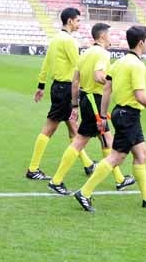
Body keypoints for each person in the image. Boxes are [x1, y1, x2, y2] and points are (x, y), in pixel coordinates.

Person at [73, 25, 146, 212]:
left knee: (141, 153)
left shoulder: (119, 62)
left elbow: (107, 89)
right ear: (141, 42)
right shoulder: (137, 66)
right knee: (116, 157)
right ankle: (84, 192)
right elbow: (140, 96)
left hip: (123, 113)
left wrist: (103, 115)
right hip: (129, 114)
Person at [46, 23, 135, 196]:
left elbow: (75, 82)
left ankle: (119, 180)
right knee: (81, 141)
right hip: (95, 100)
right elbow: (98, 75)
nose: (111, 38)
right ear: (102, 37)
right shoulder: (102, 54)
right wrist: (114, 81)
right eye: (110, 35)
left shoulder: (85, 53)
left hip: (86, 98)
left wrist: (75, 105)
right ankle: (56, 181)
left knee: (106, 139)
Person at [24, 7, 96, 181]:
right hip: (66, 89)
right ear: (70, 21)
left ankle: (88, 165)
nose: (80, 23)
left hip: (57, 87)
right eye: (78, 20)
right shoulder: (69, 41)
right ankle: (33, 168)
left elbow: (46, 64)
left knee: (72, 125)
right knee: (50, 128)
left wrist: (41, 85)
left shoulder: (55, 39)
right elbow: (79, 66)